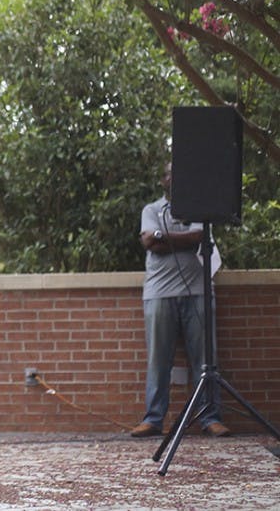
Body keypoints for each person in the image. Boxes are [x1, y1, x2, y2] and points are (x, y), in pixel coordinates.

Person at [130, 162, 230, 438]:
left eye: (179, 173)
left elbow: (200, 236)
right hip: (159, 295)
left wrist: (164, 237)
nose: (174, 178)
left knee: (206, 360)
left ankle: (210, 418)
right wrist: (178, 239)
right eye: (169, 174)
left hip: (198, 292)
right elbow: (150, 242)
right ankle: (153, 419)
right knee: (158, 360)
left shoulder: (201, 211)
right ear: (163, 180)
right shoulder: (151, 210)